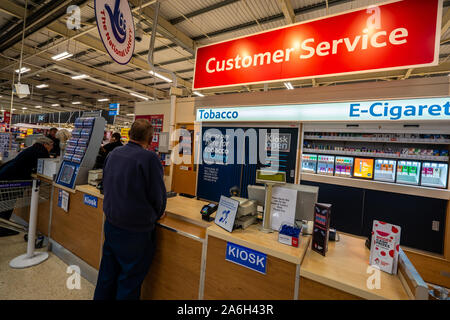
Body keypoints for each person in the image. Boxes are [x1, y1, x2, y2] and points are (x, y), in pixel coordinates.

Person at [94, 119, 167, 300]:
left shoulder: (114, 153)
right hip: (136, 232)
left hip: (111, 224)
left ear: (129, 135)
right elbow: (158, 196)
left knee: (107, 275)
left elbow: (105, 185)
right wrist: (158, 213)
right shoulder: (149, 158)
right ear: (150, 139)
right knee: (129, 281)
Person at [0, 136, 53, 237]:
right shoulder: (42, 151)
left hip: (7, 173)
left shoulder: (32, 148)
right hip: (13, 178)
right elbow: (45, 164)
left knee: (5, 202)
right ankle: (3, 229)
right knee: (8, 203)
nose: (51, 148)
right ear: (45, 144)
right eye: (51, 146)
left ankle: (3, 227)